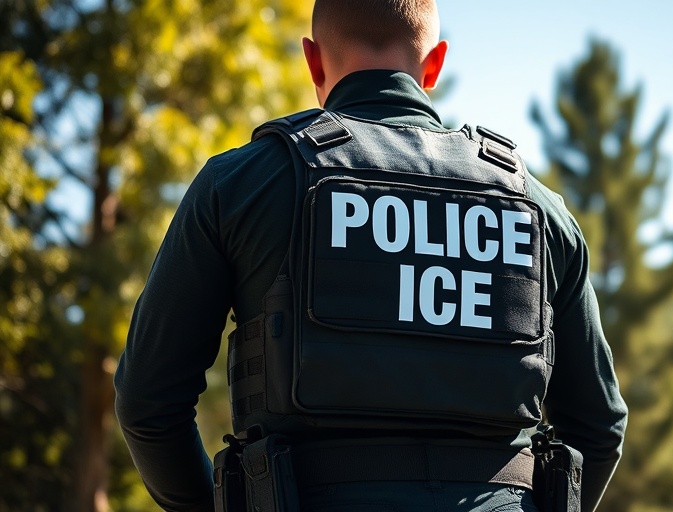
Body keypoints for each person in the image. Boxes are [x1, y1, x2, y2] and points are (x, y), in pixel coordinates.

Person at [114, 1, 628, 511]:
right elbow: (598, 426)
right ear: (435, 64)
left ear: (313, 61)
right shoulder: (540, 210)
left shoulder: (242, 184)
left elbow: (148, 402)